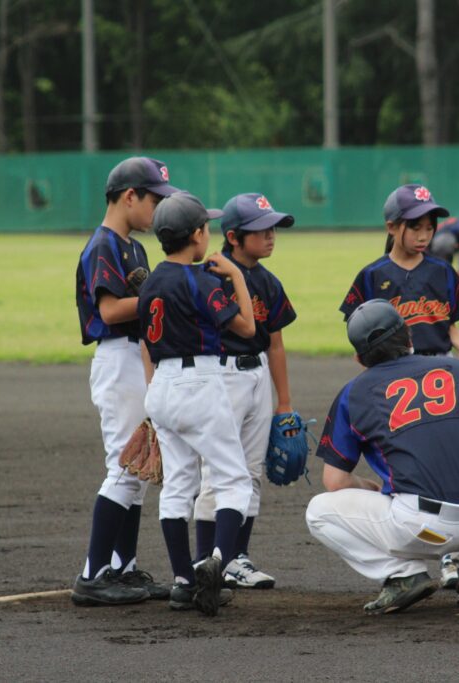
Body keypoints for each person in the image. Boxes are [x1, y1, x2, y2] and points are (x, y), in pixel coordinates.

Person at [306, 299, 459, 615]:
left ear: (358, 357)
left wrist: (369, 487)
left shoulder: (354, 392)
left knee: (319, 511)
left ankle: (403, 575)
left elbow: (334, 481)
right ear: (409, 336)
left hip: (421, 531)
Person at [339, 184, 459, 588]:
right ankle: (411, 550)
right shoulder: (372, 276)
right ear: (392, 227)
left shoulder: (442, 272)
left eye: (429, 227)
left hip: (438, 374)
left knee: (449, 461)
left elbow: (453, 328)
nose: (424, 234)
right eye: (415, 226)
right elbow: (357, 335)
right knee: (409, 464)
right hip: (393, 379)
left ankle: (453, 556)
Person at [137, 191, 256, 616]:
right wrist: (235, 275)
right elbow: (247, 327)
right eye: (206, 227)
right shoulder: (199, 280)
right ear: (196, 235)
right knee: (235, 480)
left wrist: (154, 397)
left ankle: (183, 582)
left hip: (161, 384)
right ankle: (216, 564)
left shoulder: (150, 281)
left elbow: (144, 342)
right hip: (199, 382)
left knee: (178, 484)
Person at [70, 157, 181, 607]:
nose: (159, 208)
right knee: (123, 467)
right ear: (129, 196)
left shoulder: (134, 248)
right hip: (117, 358)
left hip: (138, 357)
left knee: (139, 469)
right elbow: (111, 310)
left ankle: (123, 568)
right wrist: (162, 292)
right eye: (155, 199)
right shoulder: (104, 245)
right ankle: (93, 575)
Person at [193, 193, 298, 590]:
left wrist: (284, 402)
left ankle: (236, 557)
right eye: (261, 230)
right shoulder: (210, 275)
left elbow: (276, 345)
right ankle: (205, 560)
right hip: (221, 376)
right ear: (234, 237)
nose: (271, 236)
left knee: (252, 471)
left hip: (257, 378)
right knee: (217, 471)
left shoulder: (268, 282)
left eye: (273, 228)